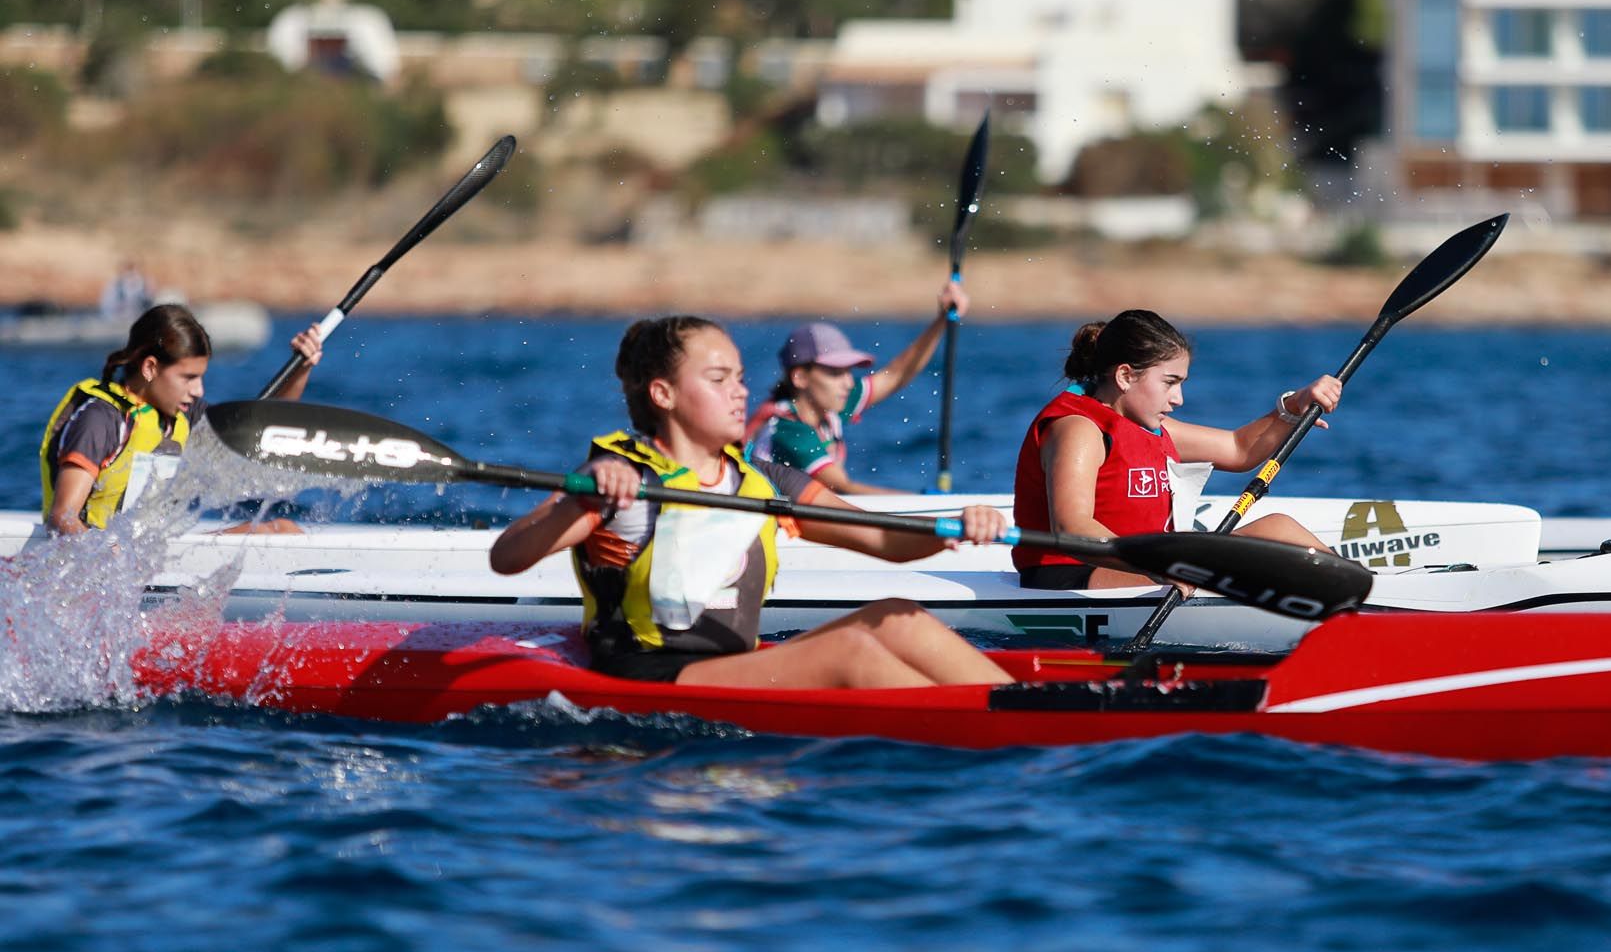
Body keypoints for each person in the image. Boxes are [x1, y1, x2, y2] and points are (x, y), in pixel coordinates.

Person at [488, 314, 1013, 689]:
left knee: (899, 618)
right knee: (851, 651)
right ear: (663, 394)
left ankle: (1032, 708)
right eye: (718, 380)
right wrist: (577, 503)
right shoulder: (618, 475)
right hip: (649, 676)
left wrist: (953, 526)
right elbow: (507, 556)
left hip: (730, 664)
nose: (740, 392)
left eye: (740, 378)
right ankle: (1000, 726)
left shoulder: (765, 481)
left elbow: (882, 538)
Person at [1013, 309, 1343, 590]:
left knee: (1277, 527)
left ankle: (1364, 594)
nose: (1178, 399)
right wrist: (1161, 566)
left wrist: (1293, 407)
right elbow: (1073, 529)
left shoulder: (1151, 429)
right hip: (1072, 578)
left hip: (1144, 567)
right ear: (1126, 376)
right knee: (1258, 546)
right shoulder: (1078, 429)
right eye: (1170, 382)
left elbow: (1239, 449)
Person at [41, 304, 324, 534]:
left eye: (200, 377)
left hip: (155, 554)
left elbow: (261, 435)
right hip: (102, 563)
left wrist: (300, 369)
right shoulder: (100, 421)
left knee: (282, 530)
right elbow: (63, 517)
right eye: (188, 378)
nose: (198, 390)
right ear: (151, 368)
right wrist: (109, 559)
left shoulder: (186, 416)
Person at [745, 280, 969, 494]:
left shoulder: (829, 407)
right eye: (835, 372)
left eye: (848, 371)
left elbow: (896, 375)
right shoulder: (787, 428)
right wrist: (924, 500)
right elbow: (843, 487)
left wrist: (941, 321)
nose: (848, 382)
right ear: (800, 378)